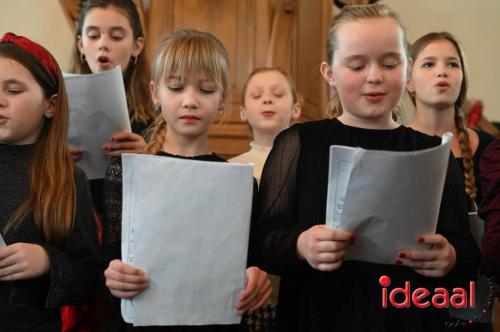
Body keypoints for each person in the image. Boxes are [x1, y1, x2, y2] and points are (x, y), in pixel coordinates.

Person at [250, 4, 480, 331]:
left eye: (389, 63)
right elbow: (262, 241)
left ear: (408, 68)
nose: (374, 76)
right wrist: (301, 245)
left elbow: (469, 254)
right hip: (318, 314)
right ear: (329, 73)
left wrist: (450, 257)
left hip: (408, 316)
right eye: (357, 65)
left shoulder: (431, 150)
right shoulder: (299, 143)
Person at [102, 29, 272, 331]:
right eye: (176, 87)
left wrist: (258, 277)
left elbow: (252, 263)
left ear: (223, 99)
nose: (190, 100)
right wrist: (113, 274)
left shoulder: (242, 183)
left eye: (206, 89)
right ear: (155, 92)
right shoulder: (127, 172)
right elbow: (107, 261)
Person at [0, 32, 100, 331]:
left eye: (14, 90)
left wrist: (47, 262)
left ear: (51, 105)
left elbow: (91, 277)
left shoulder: (67, 180)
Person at [73, 0, 155, 215]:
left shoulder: (158, 111)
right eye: (93, 35)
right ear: (81, 45)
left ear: (137, 46)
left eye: (116, 36)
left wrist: (147, 159)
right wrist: (53, 159)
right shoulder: (55, 104)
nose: (103, 44)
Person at [406, 31, 495, 212]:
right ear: (408, 81)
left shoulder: (490, 151)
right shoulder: (393, 148)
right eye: (429, 64)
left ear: (462, 79)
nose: (442, 72)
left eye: (452, 64)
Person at [230, 67, 301, 183]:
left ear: (296, 109)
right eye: (256, 95)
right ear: (243, 113)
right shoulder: (229, 169)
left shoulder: (313, 165)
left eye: (278, 94)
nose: (267, 99)